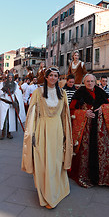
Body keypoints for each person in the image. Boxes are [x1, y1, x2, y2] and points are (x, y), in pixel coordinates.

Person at [21, 66, 73, 209]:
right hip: (41, 130)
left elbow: (65, 116)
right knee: (42, 161)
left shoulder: (62, 93)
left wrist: (65, 134)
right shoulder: (38, 92)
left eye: (56, 76)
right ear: (46, 77)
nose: (53, 78)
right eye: (50, 75)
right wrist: (31, 134)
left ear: (58, 78)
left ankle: (57, 190)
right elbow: (31, 114)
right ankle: (45, 194)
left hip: (57, 131)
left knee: (55, 161)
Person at [69, 74, 109, 188]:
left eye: (92, 81)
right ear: (84, 82)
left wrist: (103, 108)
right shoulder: (79, 93)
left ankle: (104, 177)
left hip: (100, 129)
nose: (90, 83)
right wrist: (83, 113)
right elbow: (71, 110)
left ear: (95, 82)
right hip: (85, 129)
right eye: (87, 81)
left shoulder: (100, 92)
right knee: (85, 151)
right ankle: (85, 176)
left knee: (102, 149)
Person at [0, 72, 26, 140]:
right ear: (7, 78)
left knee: (10, 119)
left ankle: (9, 133)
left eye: (11, 77)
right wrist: (3, 91)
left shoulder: (16, 85)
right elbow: (0, 93)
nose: (10, 79)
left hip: (12, 104)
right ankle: (3, 133)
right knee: (3, 119)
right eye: (9, 77)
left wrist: (16, 102)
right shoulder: (2, 84)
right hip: (4, 103)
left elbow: (18, 95)